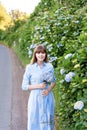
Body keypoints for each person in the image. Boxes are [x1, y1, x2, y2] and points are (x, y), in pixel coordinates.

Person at [22, 44, 56, 130]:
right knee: (35, 121)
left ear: (45, 54)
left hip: (48, 98)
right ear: (35, 54)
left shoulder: (49, 66)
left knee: (47, 120)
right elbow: (24, 86)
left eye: (43, 53)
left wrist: (48, 90)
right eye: (38, 53)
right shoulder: (30, 68)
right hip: (35, 98)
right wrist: (38, 86)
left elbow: (53, 82)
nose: (41, 55)